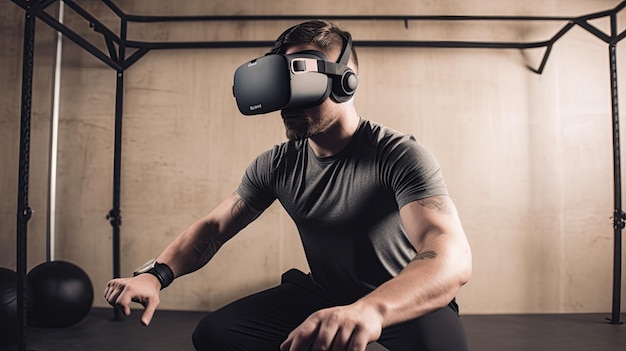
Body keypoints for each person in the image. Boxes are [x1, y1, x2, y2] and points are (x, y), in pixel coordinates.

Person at [105, 19, 472, 351]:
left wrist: (371, 309)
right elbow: (214, 227)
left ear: (344, 83)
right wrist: (155, 275)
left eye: (302, 80)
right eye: (283, 82)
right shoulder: (277, 164)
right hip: (323, 293)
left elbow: (448, 253)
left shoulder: (396, 154)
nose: (286, 102)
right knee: (216, 335)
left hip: (398, 296)